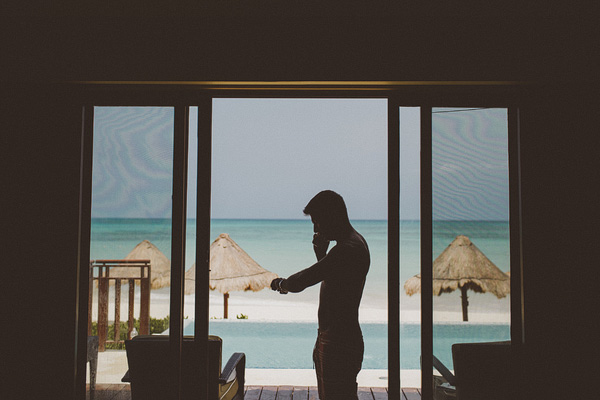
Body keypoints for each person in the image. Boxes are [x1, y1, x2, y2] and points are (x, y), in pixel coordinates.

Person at [271, 190, 370, 400]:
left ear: (333, 215)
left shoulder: (347, 249)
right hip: (335, 336)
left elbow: (303, 280)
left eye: (318, 221)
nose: (316, 228)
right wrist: (321, 256)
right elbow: (334, 280)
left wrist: (280, 284)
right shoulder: (354, 243)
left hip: (339, 340)